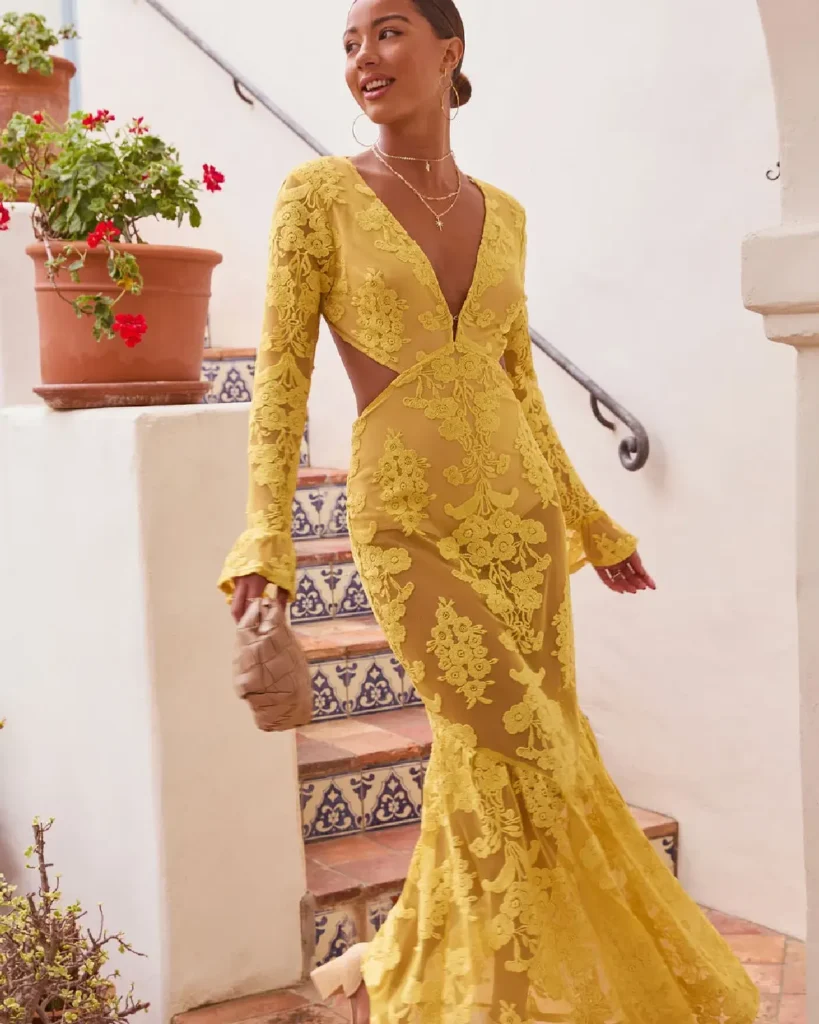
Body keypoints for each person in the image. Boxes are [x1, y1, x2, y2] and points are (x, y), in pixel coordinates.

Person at [220, 0, 760, 1021]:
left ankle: (455, 978)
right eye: (348, 43)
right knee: (528, 749)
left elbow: (520, 385)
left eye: (385, 32)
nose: (362, 59)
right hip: (407, 522)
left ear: (448, 51)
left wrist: (592, 525)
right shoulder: (317, 196)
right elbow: (280, 385)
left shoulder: (504, 211)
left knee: (490, 766)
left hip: (521, 530)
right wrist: (267, 539)